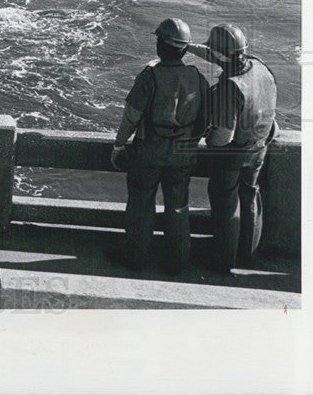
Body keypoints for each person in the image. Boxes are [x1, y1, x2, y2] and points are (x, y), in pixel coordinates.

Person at [108, 18, 210, 274]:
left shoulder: (149, 77)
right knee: (178, 206)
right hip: (182, 155)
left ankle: (136, 257)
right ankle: (177, 261)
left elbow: (131, 116)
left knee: (141, 204)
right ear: (185, 49)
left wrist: (119, 146)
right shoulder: (197, 78)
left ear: (160, 46)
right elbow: (205, 121)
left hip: (148, 154)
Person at [187, 24, 277, 275]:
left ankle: (223, 262)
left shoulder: (231, 87)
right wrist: (190, 47)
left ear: (219, 55)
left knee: (226, 203)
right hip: (259, 147)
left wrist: (207, 138)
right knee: (249, 196)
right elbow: (219, 55)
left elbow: (222, 137)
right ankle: (247, 256)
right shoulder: (259, 65)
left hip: (234, 154)